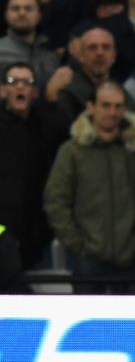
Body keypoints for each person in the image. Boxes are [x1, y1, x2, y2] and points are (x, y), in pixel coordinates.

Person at [43, 81, 135, 294]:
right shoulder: (72, 151)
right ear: (91, 107)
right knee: (89, 327)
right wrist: (78, 246)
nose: (112, 112)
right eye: (106, 105)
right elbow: (56, 201)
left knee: (131, 326)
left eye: (118, 106)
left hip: (131, 259)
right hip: (88, 260)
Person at [0, 62, 68, 269]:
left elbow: (65, 131)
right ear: (3, 90)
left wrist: (53, 97)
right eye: (13, 82)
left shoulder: (45, 124)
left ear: (35, 92)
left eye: (27, 82)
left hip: (38, 231)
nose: (20, 87)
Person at [49, 25, 120, 125]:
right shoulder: (68, 94)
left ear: (113, 56)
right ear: (81, 56)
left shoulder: (122, 94)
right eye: (92, 48)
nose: (100, 53)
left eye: (106, 47)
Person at [0, 0, 60, 86]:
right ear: (6, 15)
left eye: (28, 9)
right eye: (15, 9)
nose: (22, 13)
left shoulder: (51, 56)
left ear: (39, 16)